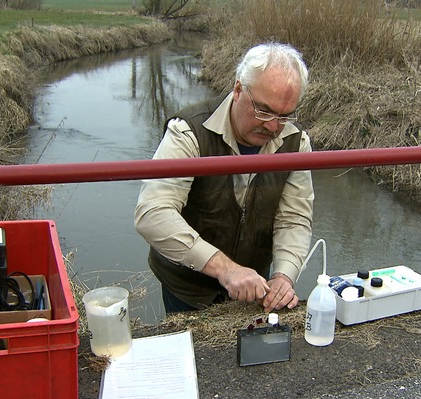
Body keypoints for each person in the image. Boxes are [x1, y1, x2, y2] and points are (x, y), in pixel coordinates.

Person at [134, 42, 314, 315]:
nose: (273, 126)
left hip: (253, 287)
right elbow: (152, 213)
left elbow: (294, 218)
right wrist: (225, 268)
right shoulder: (188, 131)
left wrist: (283, 276)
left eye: (284, 116)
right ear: (238, 90)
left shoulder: (295, 142)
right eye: (263, 111)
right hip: (188, 288)